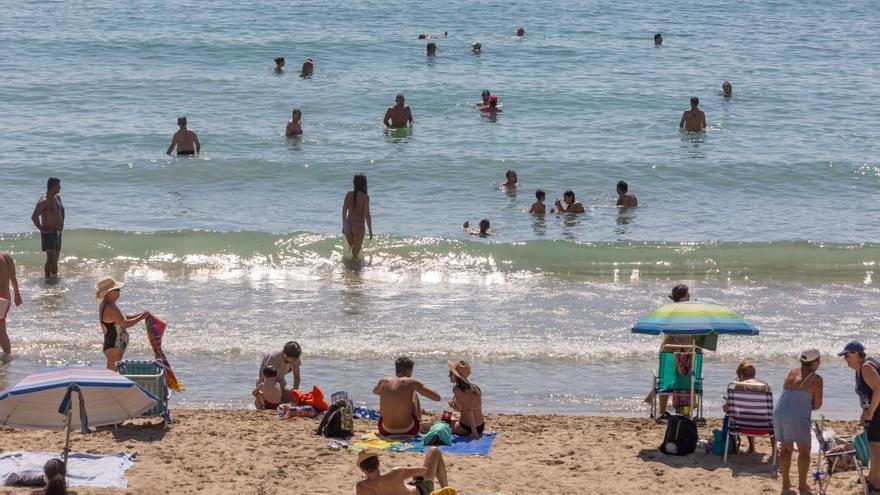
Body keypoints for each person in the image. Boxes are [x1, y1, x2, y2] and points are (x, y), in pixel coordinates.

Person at [774, 349, 823, 494]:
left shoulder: (791, 372)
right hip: (796, 415)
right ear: (813, 362)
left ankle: (785, 484)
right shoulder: (816, 379)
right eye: (819, 361)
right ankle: (802, 486)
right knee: (804, 452)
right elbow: (817, 404)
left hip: (779, 412)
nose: (819, 363)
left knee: (786, 449)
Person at [840, 340, 880, 490]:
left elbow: (879, 389)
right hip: (873, 412)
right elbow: (866, 395)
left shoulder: (866, 368)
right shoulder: (859, 369)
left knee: (876, 447)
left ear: (856, 354)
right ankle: (872, 476)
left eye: (847, 355)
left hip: (877, 412)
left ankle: (877, 483)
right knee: (873, 445)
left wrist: (870, 412)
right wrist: (865, 413)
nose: (845, 359)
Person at [372, 357, 441, 436]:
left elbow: (374, 391)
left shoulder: (383, 381)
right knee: (413, 392)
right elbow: (437, 397)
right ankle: (419, 424)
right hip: (408, 429)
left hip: (384, 429)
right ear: (409, 370)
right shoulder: (411, 382)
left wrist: (390, 394)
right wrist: (419, 388)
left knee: (385, 393)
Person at [96, 276, 148, 371]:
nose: (119, 292)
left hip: (113, 344)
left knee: (112, 372)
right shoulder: (110, 307)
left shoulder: (108, 304)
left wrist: (140, 315)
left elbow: (122, 318)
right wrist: (140, 318)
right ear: (109, 292)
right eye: (117, 290)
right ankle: (106, 386)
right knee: (111, 374)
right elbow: (125, 324)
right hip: (114, 346)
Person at [721, 360, 771, 453]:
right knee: (753, 412)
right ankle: (774, 451)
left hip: (743, 425)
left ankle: (752, 447)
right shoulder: (766, 386)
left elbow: (725, 408)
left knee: (746, 413)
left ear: (741, 375)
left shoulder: (740, 386)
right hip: (765, 426)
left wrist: (727, 402)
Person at [355, 449, 448, 495]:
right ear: (378, 463)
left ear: (362, 469)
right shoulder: (395, 473)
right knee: (434, 451)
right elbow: (423, 470)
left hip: (408, 487)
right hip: (422, 492)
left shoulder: (360, 487)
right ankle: (447, 488)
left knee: (414, 479)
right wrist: (406, 471)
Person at [31, 178, 65, 279]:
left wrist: (62, 224)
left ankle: (54, 278)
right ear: (53, 186)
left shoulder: (57, 198)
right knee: (50, 258)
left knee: (56, 259)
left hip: (58, 232)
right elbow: (34, 216)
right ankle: (47, 280)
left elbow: (62, 210)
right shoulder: (43, 201)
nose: (60, 187)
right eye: (58, 186)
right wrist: (41, 229)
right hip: (48, 233)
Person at [447, 360, 484, 440]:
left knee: (445, 419)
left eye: (450, 373)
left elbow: (468, 409)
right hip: (481, 425)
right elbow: (467, 409)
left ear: (456, 375)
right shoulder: (474, 387)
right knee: (453, 416)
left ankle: (473, 432)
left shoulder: (457, 389)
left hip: (468, 428)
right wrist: (455, 407)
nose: (448, 376)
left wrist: (474, 433)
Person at [342, 173, 374, 258]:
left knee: (352, 248)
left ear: (354, 183)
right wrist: (370, 230)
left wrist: (344, 225)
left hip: (348, 225)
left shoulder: (348, 194)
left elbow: (344, 210)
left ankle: (349, 268)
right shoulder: (365, 197)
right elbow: (367, 215)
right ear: (364, 184)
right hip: (358, 225)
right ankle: (355, 270)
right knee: (355, 253)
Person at [0, 252, 22, 355]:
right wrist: (17, 294)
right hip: (5, 298)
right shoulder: (6, 256)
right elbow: (13, 278)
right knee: (2, 332)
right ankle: (7, 358)